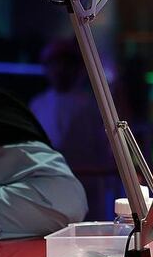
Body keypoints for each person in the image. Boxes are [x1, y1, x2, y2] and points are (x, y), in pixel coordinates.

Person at [30, 38, 115, 220]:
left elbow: (104, 145)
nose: (60, 70)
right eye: (55, 64)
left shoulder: (91, 106)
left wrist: (106, 176)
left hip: (86, 183)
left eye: (65, 64)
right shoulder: (38, 104)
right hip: (49, 185)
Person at [0, 85, 88, 240]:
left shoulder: (86, 103)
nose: (60, 68)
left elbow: (67, 200)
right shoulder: (40, 102)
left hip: (60, 183)